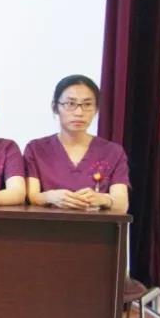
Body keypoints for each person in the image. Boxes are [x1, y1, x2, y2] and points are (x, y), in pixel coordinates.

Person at [24, 74, 129, 213]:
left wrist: (103, 199)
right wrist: (50, 197)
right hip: (47, 224)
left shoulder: (113, 152)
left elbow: (122, 204)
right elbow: (31, 196)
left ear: (96, 109)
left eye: (87, 104)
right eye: (70, 104)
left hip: (97, 225)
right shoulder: (36, 149)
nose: (79, 112)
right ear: (55, 107)